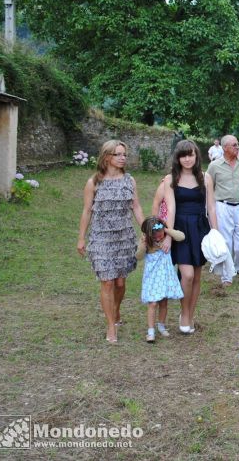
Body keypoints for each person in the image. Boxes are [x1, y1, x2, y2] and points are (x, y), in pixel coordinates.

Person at [77, 140, 145, 343]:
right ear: (107, 157)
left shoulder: (129, 181)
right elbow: (87, 210)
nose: (123, 157)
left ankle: (116, 310)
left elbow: (136, 207)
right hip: (101, 237)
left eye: (124, 154)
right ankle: (110, 326)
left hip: (124, 237)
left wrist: (145, 230)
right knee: (107, 281)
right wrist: (81, 237)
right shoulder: (94, 183)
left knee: (120, 282)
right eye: (118, 154)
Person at [162, 140, 218, 334]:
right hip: (181, 230)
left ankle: (189, 315)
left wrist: (215, 233)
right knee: (187, 275)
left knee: (196, 276)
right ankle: (184, 313)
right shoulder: (171, 179)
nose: (187, 159)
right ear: (178, 158)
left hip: (200, 228)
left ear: (196, 156)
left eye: (191, 154)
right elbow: (170, 208)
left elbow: (211, 207)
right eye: (183, 155)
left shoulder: (206, 178)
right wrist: (169, 235)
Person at [207, 134, 239, 285]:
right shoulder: (214, 166)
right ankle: (227, 276)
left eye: (237, 144)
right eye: (234, 145)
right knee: (226, 241)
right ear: (225, 148)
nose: (238, 147)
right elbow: (209, 186)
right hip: (223, 206)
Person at [137, 216, 185, 342]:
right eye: (154, 235)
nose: (158, 237)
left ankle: (161, 325)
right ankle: (151, 331)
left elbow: (181, 236)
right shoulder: (147, 243)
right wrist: (143, 245)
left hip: (165, 276)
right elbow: (138, 256)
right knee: (153, 303)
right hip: (153, 278)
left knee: (164, 302)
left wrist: (167, 231)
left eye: (160, 233)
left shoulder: (166, 239)